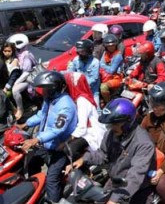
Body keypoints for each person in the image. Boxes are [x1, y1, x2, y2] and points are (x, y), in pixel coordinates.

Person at [66, 98, 155, 204]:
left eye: (114, 124)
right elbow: (102, 154)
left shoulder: (143, 144)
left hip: (135, 190)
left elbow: (135, 176)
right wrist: (83, 160)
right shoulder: (112, 134)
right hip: (114, 182)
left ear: (127, 122)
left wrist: (115, 199)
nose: (111, 127)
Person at [16, 71, 78, 203]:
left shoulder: (65, 106)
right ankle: (35, 192)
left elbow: (57, 129)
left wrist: (36, 139)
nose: (42, 91)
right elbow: (41, 115)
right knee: (32, 164)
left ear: (53, 88)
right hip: (46, 144)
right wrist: (26, 124)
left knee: (52, 179)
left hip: (59, 148)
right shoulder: (49, 100)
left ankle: (53, 201)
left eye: (45, 88)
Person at [63, 72, 106, 160]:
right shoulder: (79, 98)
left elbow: (82, 127)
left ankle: (84, 165)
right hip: (87, 131)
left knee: (70, 148)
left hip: (92, 133)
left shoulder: (82, 101)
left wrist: (67, 140)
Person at [7, 34, 37, 120]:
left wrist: (16, 82)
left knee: (15, 90)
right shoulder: (17, 53)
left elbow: (27, 72)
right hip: (21, 77)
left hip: (29, 78)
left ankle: (20, 109)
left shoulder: (26, 55)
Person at [67, 39, 100, 106]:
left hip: (91, 91)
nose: (80, 53)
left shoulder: (95, 62)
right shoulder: (76, 59)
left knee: (96, 108)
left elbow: (93, 79)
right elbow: (70, 73)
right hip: (77, 90)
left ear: (88, 51)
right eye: (79, 51)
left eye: (82, 51)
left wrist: (80, 85)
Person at [100, 34, 123, 104]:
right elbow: (100, 64)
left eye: (113, 45)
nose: (111, 47)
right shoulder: (105, 53)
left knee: (103, 87)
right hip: (105, 77)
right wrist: (103, 65)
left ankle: (109, 103)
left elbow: (111, 70)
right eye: (109, 46)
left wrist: (103, 65)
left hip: (116, 78)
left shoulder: (118, 55)